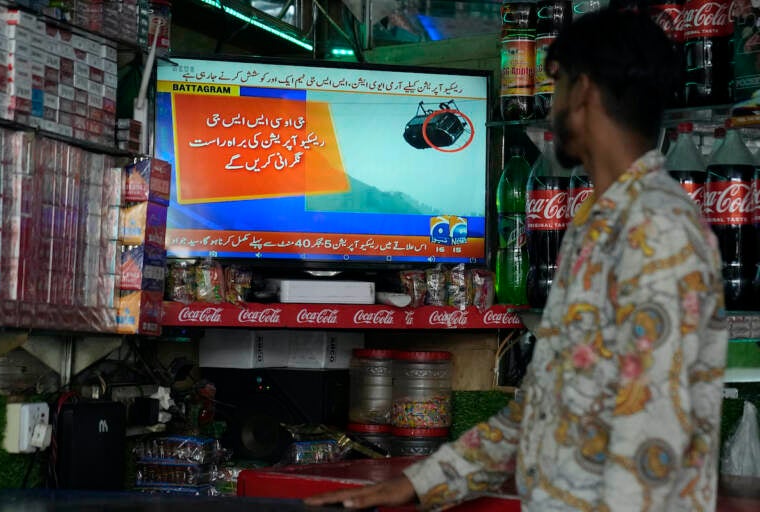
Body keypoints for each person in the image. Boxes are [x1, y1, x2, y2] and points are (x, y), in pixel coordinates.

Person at [305, 8, 727, 511]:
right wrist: (422, 483)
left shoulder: (656, 228)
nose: (552, 108)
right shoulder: (601, 224)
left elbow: (653, 435)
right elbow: (544, 404)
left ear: (584, 92)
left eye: (558, 86)